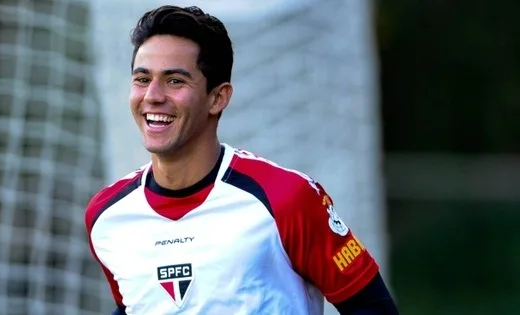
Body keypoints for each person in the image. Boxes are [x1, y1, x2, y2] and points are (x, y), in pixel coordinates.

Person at [85, 5, 399, 315]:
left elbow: (372, 309)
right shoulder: (107, 216)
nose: (152, 95)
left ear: (217, 97)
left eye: (174, 81)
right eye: (142, 79)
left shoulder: (286, 198)